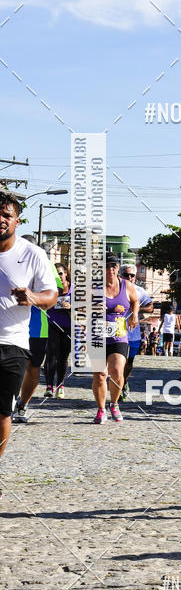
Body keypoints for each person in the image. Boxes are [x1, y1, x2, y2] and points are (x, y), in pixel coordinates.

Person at [0, 193, 57, 487]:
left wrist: (32, 297)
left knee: (2, 412)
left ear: (17, 221)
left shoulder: (33, 254)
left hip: (13, 343)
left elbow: (51, 295)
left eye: (6, 215)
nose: (1, 220)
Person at [15, 240, 63, 424]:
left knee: (33, 367)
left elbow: (58, 290)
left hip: (37, 325)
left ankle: (22, 404)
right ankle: (10, 401)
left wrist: (34, 292)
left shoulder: (44, 262)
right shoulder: (8, 257)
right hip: (10, 323)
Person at [92, 254, 138, 424]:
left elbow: (135, 301)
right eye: (107, 266)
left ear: (118, 268)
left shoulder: (127, 286)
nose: (110, 269)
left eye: (113, 266)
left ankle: (114, 404)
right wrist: (93, 306)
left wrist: (134, 315)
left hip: (119, 335)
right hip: (97, 335)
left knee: (117, 371)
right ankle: (101, 409)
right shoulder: (93, 287)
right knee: (100, 375)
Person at [119, 265, 154, 401]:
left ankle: (124, 382)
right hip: (117, 332)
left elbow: (150, 307)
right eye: (126, 275)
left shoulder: (139, 291)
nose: (129, 277)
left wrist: (136, 309)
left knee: (129, 362)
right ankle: (119, 385)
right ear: (120, 276)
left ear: (135, 277)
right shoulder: (116, 289)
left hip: (133, 333)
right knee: (118, 361)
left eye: (132, 275)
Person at [44, 263, 72, 398]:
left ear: (66, 273)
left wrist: (70, 306)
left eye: (60, 273)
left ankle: (60, 385)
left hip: (68, 327)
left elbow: (83, 308)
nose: (59, 277)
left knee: (63, 357)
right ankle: (49, 386)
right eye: (55, 274)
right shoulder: (50, 288)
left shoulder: (74, 288)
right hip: (52, 325)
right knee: (51, 355)